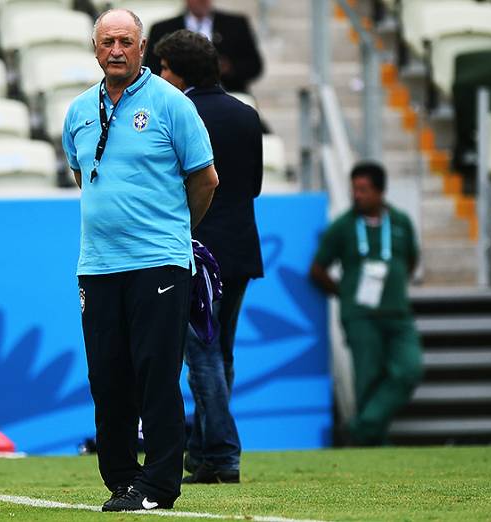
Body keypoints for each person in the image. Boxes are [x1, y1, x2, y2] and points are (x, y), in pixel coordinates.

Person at [62, 8, 219, 512]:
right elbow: (82, 177)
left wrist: (174, 235)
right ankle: (123, 480)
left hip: (158, 263)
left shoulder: (172, 105)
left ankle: (158, 486)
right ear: (94, 48)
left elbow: (205, 179)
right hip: (98, 265)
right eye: (107, 41)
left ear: (142, 46)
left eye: (125, 41)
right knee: (107, 379)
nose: (116, 50)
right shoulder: (78, 111)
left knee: (156, 374)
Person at [155, 29, 264, 484]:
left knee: (200, 356)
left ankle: (221, 455)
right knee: (221, 352)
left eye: (163, 67)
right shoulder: (246, 113)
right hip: (241, 248)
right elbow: (254, 185)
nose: (159, 75)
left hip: (198, 250)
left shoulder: (178, 112)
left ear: (178, 72)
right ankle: (202, 449)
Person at [309, 162, 423, 447]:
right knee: (367, 380)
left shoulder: (401, 222)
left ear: (381, 191)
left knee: (410, 368)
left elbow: (410, 261)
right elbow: (317, 269)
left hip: (398, 314)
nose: (357, 195)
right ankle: (374, 443)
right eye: (354, 189)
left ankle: (360, 430)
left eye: (364, 189)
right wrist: (344, 293)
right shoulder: (343, 226)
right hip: (360, 316)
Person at [144, 0, 263, 93]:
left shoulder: (236, 25)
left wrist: (229, 68)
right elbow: (151, 69)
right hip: (175, 98)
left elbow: (254, 66)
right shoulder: (163, 29)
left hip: (229, 93)